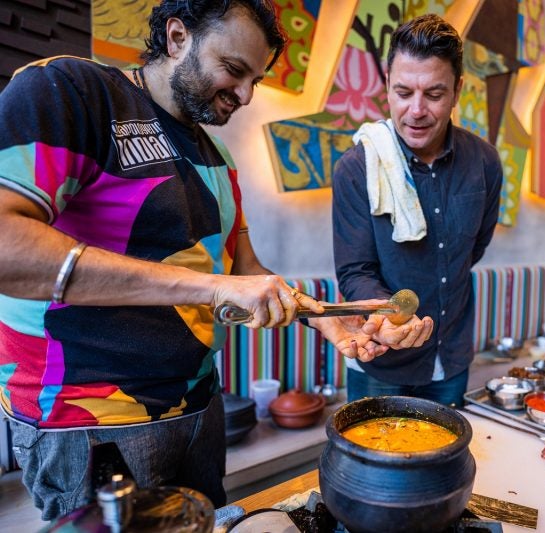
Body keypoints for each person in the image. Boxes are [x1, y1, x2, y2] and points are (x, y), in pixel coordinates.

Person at [0, 0, 432, 521]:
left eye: (256, 80)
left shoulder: (216, 157)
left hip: (201, 406)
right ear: (177, 37)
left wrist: (327, 321)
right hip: (88, 420)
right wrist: (213, 288)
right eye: (233, 69)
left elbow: (244, 271)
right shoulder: (72, 91)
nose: (246, 95)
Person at [332, 14, 502, 407]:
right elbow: (356, 271)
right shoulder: (356, 168)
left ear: (457, 91)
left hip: (452, 358)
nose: (416, 110)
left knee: (448, 449)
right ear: (387, 84)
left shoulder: (484, 162)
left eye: (434, 94)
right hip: (381, 361)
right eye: (404, 92)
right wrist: (393, 318)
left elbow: (475, 248)